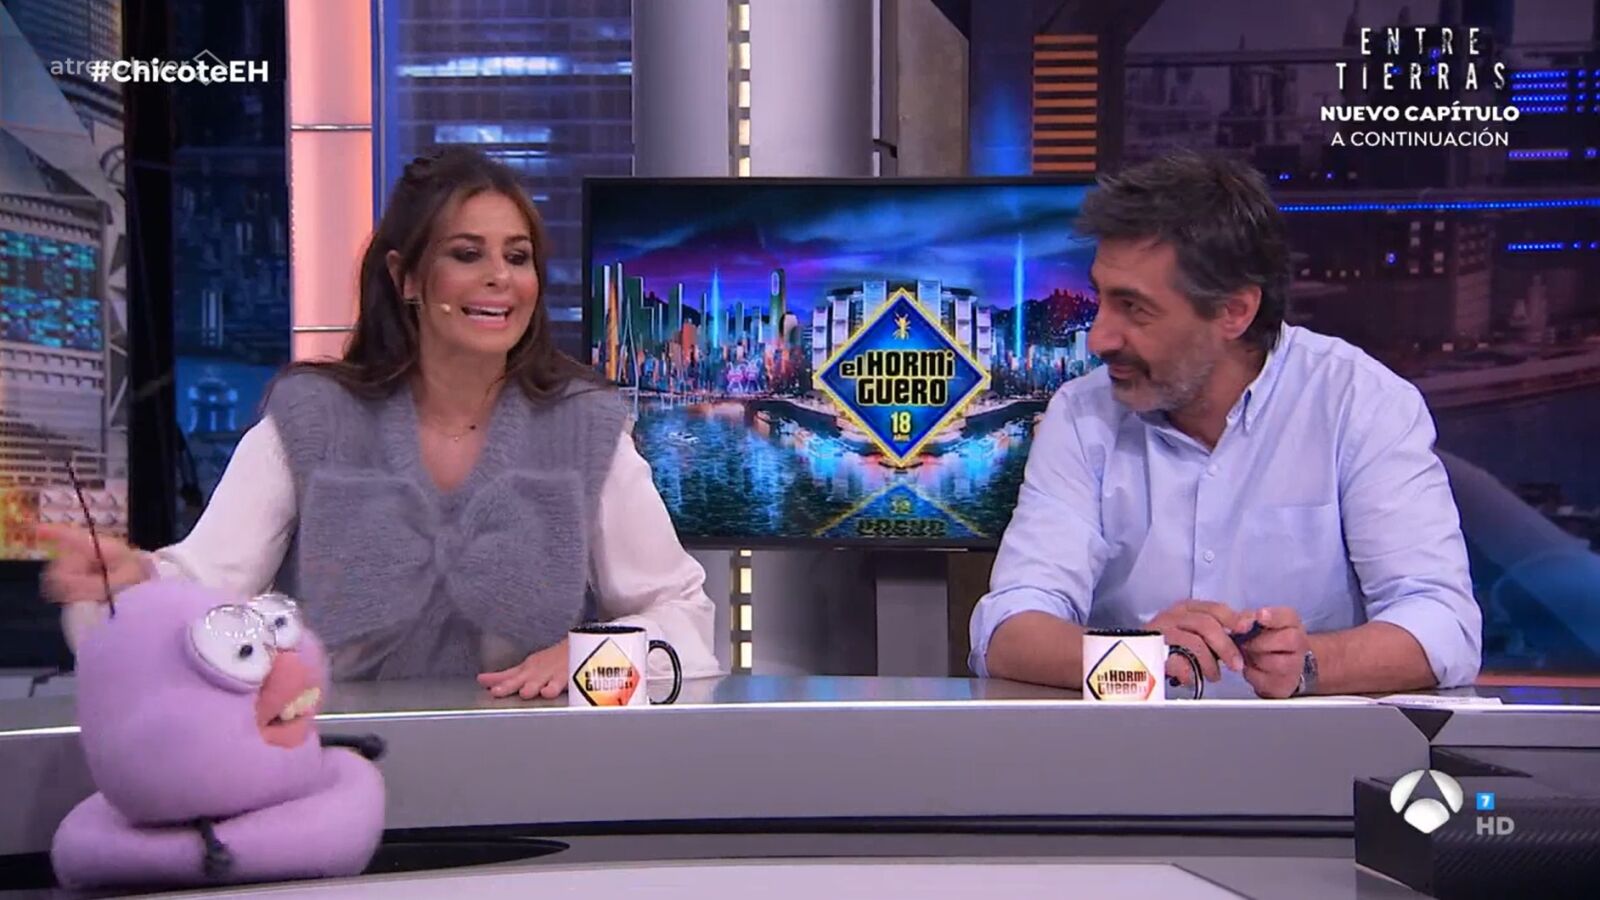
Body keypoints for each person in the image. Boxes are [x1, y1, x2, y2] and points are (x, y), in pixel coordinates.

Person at [42, 147, 720, 697]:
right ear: (406, 278)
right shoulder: (311, 420)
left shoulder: (585, 426)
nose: (500, 278)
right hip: (338, 768)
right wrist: (126, 590)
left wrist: (590, 657)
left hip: (539, 775)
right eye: (467, 254)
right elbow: (201, 590)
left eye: (517, 257)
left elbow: (683, 616)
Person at [970, 150, 1482, 699]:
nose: (1099, 338)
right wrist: (1139, 661)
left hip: (1307, 749)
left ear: (1234, 312)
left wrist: (1309, 664)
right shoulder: (1080, 414)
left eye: (1134, 308)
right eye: (1101, 299)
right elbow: (1005, 633)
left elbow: (1443, 625)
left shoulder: (1359, 403)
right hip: (1127, 746)